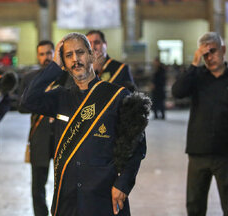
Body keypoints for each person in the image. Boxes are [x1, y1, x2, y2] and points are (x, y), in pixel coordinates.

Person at [21, 33, 150, 216]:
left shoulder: (117, 96)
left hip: (104, 196)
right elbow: (27, 101)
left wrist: (123, 184)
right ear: (64, 64)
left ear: (92, 55)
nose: (75, 60)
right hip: (67, 198)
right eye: (68, 55)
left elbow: (137, 145)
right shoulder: (60, 97)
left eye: (80, 52)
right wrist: (54, 66)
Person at [172, 32, 228, 216]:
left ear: (223, 50)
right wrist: (194, 63)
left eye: (213, 51)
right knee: (194, 205)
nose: (209, 58)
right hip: (198, 152)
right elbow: (178, 92)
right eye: (205, 54)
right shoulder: (197, 77)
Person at [18, 40, 70, 216]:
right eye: (42, 54)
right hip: (39, 136)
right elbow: (22, 106)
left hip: (62, 136)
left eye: (49, 53)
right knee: (37, 187)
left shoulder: (66, 76)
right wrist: (43, 103)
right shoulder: (30, 78)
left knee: (63, 183)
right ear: (37, 56)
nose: (46, 57)